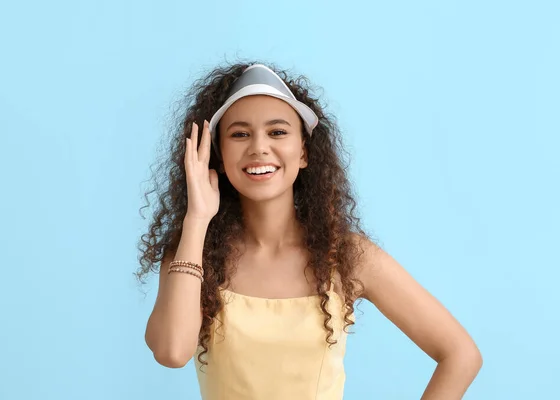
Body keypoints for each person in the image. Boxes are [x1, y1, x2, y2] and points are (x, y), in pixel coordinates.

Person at [137, 62, 482, 400]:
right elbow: (172, 352)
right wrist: (197, 219)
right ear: (218, 155)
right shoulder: (192, 254)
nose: (258, 147)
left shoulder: (347, 256)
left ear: (303, 152)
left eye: (277, 132)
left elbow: (460, 355)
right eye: (239, 134)